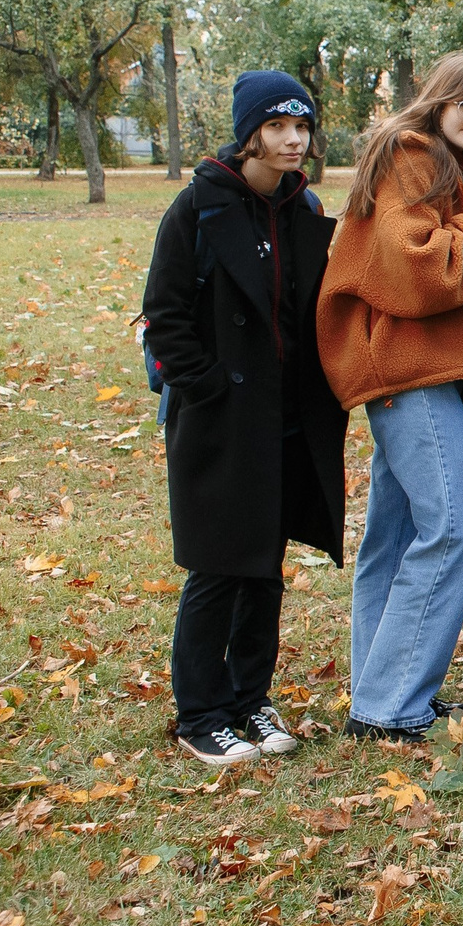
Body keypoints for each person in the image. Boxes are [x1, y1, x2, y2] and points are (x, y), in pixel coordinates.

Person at [143, 71, 349, 766]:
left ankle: (249, 697)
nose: (295, 140)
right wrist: (209, 388)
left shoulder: (302, 207)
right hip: (223, 418)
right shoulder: (198, 207)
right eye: (279, 127)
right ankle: (201, 713)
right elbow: (164, 316)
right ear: (250, 132)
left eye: (303, 127)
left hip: (288, 419)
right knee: (217, 566)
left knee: (264, 567)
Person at [317, 51, 463, 742]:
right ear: (438, 97)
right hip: (411, 367)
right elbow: (419, 268)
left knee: (397, 536)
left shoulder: (428, 159)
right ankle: (392, 703)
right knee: (454, 529)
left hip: (409, 367)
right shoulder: (413, 154)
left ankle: (380, 692)